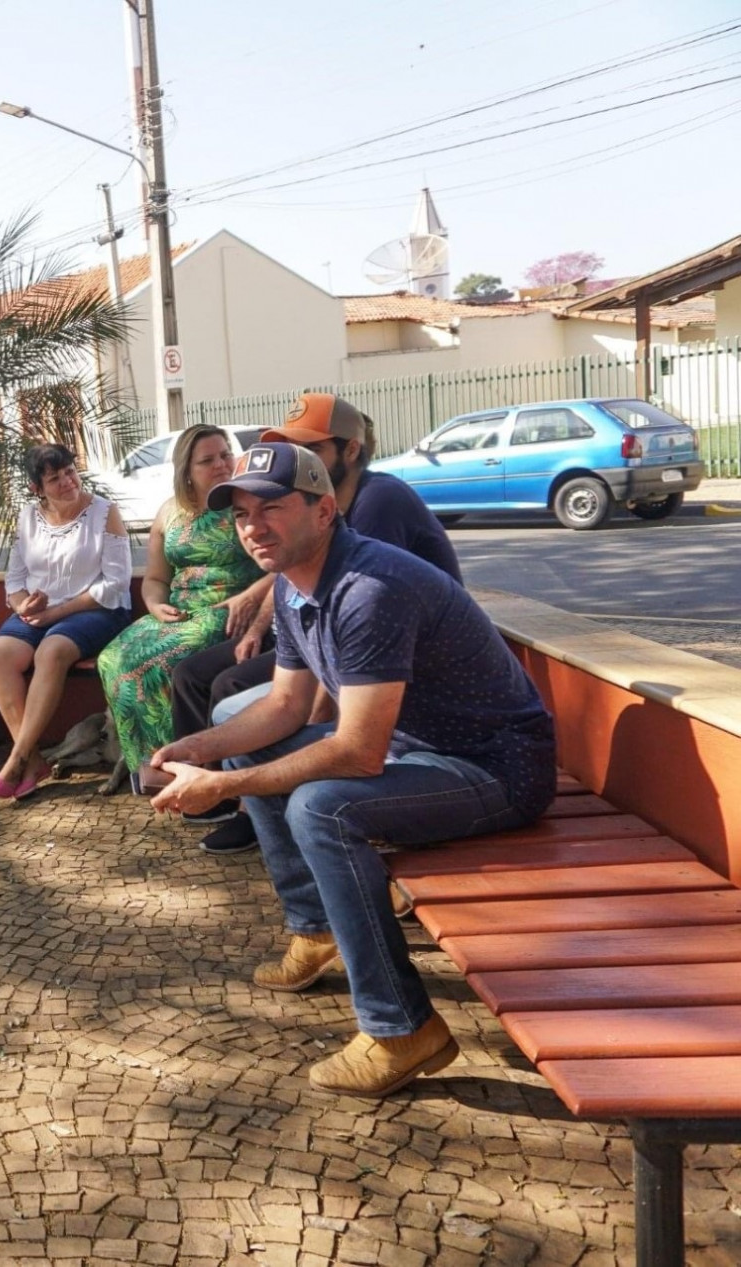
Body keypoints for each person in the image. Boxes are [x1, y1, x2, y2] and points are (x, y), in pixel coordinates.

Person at [150, 443, 556, 1097]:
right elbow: (284, 706)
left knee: (322, 806)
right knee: (253, 750)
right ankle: (314, 931)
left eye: (272, 508)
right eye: (242, 513)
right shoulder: (293, 581)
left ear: (324, 508)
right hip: (414, 751)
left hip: (494, 769)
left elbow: (357, 752)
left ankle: (400, 1028)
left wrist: (224, 786)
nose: (253, 526)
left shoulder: (369, 588)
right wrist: (198, 748)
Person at [171, 394, 463, 854]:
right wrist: (198, 749)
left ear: (350, 450)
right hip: (372, 677)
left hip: (420, 704)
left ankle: (252, 812)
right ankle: (259, 828)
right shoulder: (308, 548)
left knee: (265, 741)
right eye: (243, 515)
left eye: (311, 447)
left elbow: (362, 623)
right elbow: (299, 598)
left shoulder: (377, 506)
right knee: (206, 684)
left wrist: (305, 736)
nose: (298, 456)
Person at [95, 424, 262, 794]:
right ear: (186, 469)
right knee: (110, 658)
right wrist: (155, 605)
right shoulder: (170, 512)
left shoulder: (244, 501)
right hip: (178, 610)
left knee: (150, 663)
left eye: (225, 455)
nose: (221, 464)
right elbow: (155, 578)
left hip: (229, 607)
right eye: (208, 460)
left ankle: (172, 762)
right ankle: (146, 762)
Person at [0, 443, 135, 799]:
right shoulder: (28, 517)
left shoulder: (104, 512)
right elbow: (15, 579)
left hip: (97, 610)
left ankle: (18, 756)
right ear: (37, 488)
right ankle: (35, 759)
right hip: (40, 612)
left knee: (51, 651)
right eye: (55, 478)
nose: (68, 481)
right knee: (0, 654)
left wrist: (54, 613)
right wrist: (24, 606)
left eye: (70, 471)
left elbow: (115, 582)